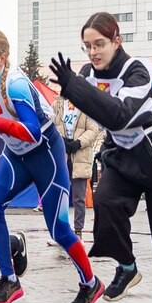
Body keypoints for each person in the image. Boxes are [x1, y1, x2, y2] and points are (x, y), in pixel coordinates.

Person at [49, 13, 152, 303]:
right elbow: (86, 110)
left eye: (99, 44)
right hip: (119, 152)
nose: (93, 52)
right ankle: (126, 267)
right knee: (106, 203)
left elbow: (119, 115)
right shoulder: (86, 74)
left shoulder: (139, 71)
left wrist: (75, 87)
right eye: (87, 46)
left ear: (116, 41)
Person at [0, 28, 102, 303]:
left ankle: (90, 284)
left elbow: (33, 132)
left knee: (58, 230)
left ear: (2, 58)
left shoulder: (16, 83)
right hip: (16, 156)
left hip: (46, 155)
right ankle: (9, 280)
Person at [53, 90, 101, 238]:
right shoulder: (57, 105)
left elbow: (93, 130)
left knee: (79, 197)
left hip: (80, 155)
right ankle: (62, 231)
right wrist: (61, 140)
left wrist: (78, 143)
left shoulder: (87, 106)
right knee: (60, 195)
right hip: (62, 154)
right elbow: (51, 125)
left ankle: (78, 231)